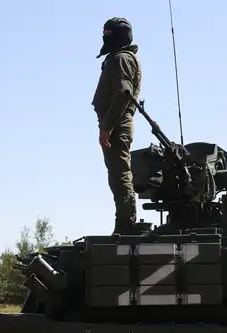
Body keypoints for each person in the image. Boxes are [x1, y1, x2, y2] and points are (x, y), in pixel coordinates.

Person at [92, 17, 142, 234]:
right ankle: (124, 222)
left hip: (117, 123)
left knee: (120, 175)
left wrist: (108, 128)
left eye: (109, 34)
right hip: (115, 122)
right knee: (116, 173)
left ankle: (126, 223)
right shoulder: (118, 57)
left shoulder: (121, 59)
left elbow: (123, 93)